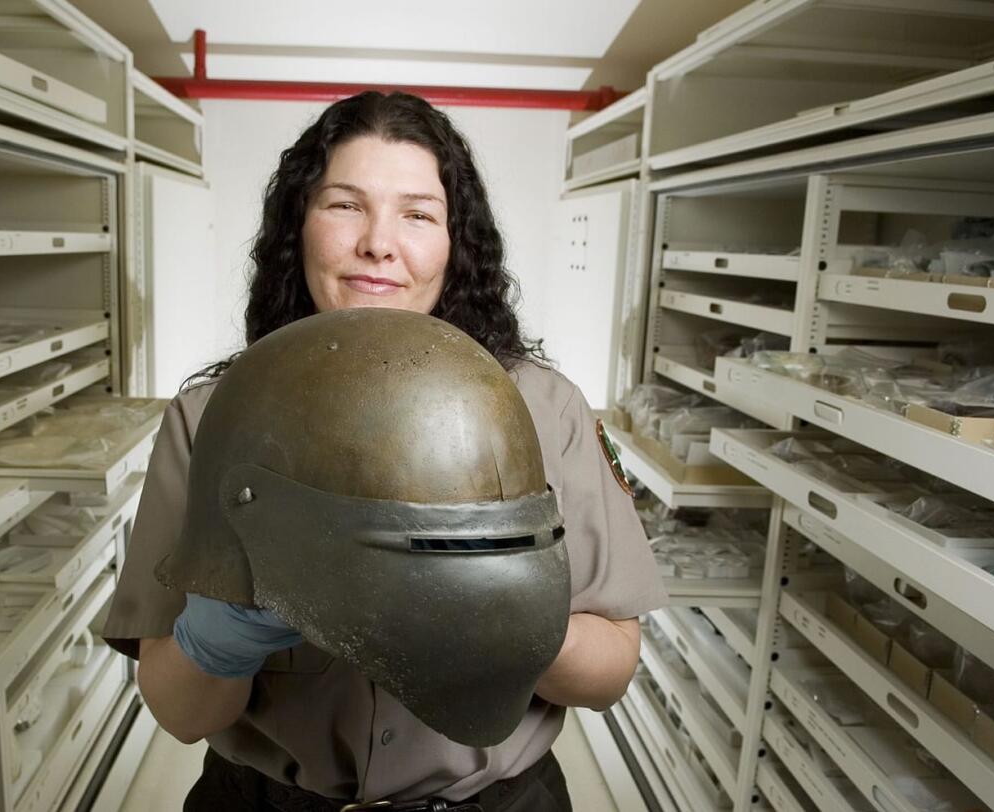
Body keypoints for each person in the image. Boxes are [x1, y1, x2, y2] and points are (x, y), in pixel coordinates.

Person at [102, 90, 667, 811]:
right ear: (297, 225)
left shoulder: (544, 409)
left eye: (418, 213)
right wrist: (226, 634)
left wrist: (513, 618)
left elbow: (611, 674)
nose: (378, 242)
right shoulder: (210, 418)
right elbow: (181, 715)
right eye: (344, 205)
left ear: (455, 241)